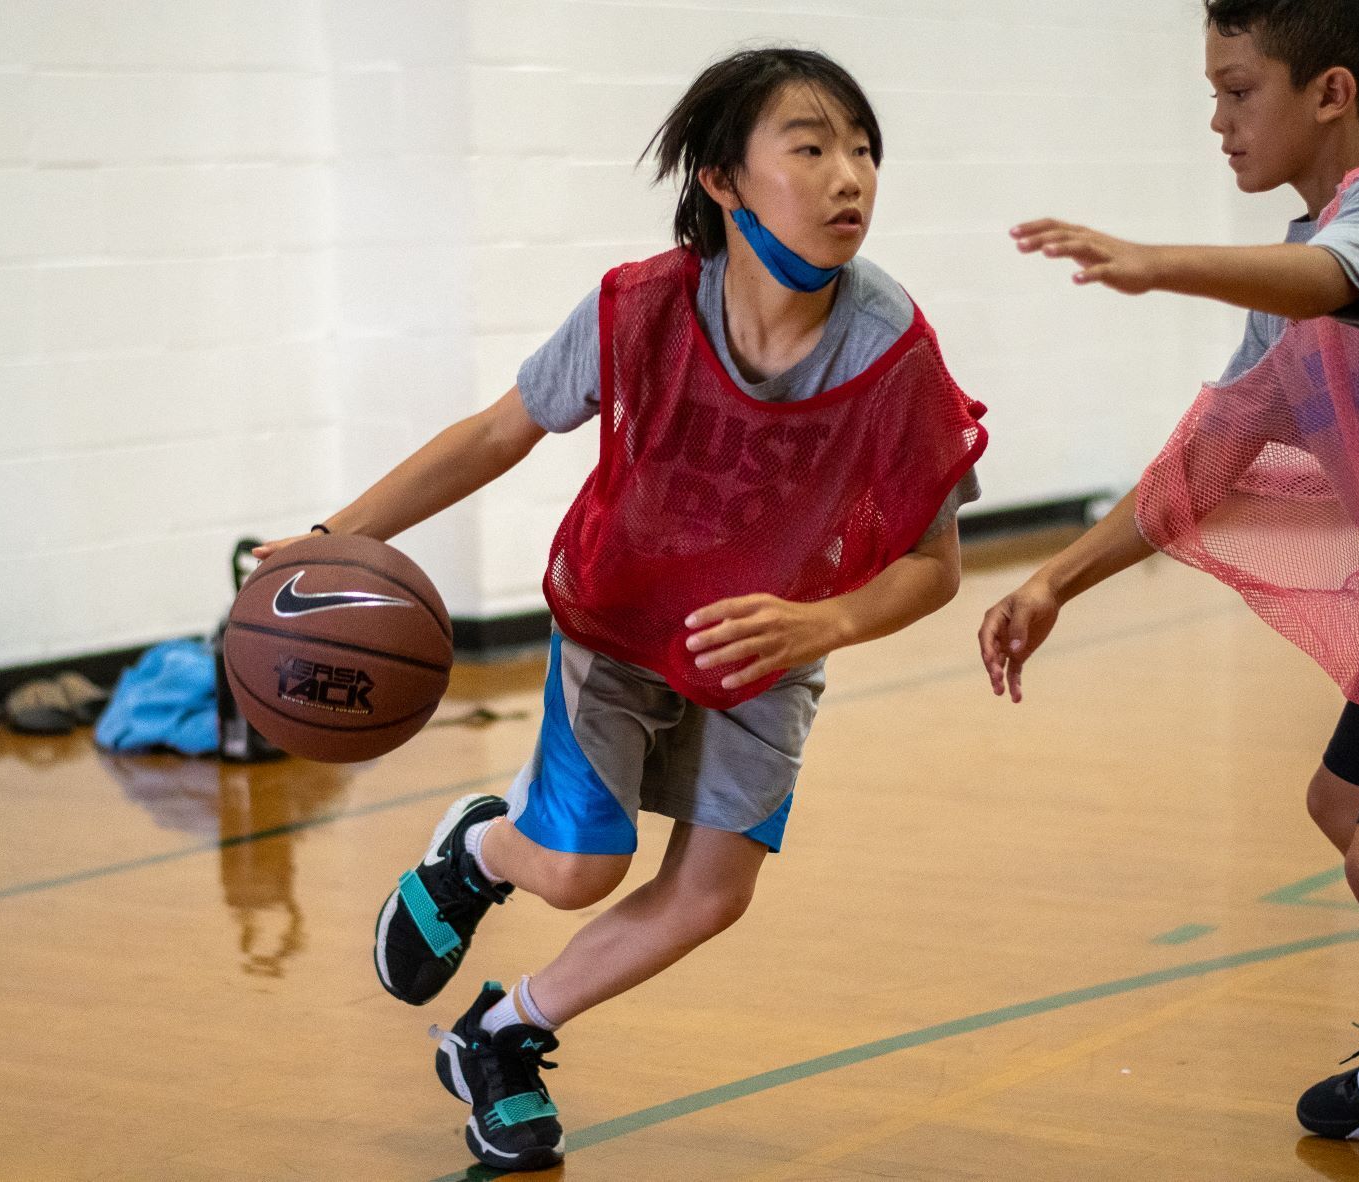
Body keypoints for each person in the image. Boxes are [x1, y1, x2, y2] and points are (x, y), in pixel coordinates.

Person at [255, 46, 986, 1172]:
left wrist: (826, 623)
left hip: (768, 651)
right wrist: (338, 537)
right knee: (579, 869)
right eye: (811, 146)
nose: (851, 176)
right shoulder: (641, 308)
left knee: (709, 898)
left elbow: (935, 565)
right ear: (723, 182)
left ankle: (500, 1039)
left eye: (864, 149)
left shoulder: (893, 351)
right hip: (618, 621)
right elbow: (500, 431)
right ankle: (481, 853)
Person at [978, 2, 1359, 1177]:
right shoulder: (1307, 269)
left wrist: (1156, 263)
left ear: (1330, 92)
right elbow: (1208, 459)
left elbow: (1325, 277)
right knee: (1346, 808)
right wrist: (1055, 582)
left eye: (1238, 91)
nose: (1216, 120)